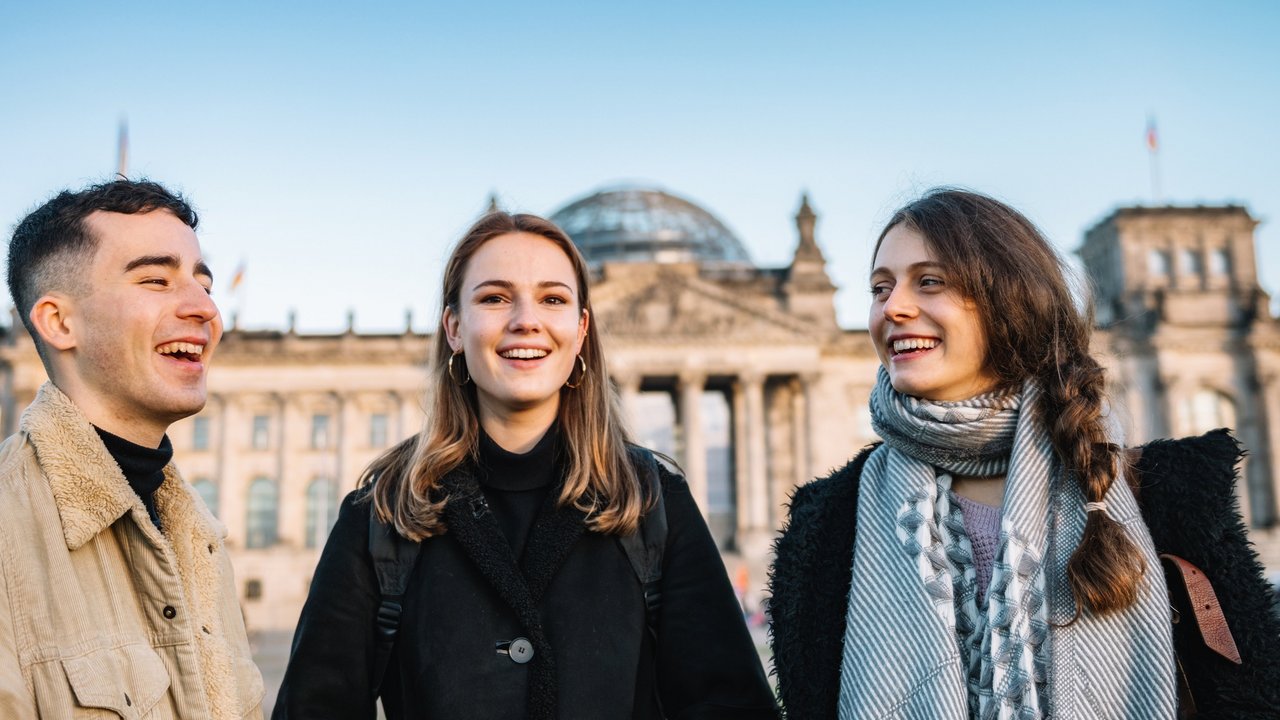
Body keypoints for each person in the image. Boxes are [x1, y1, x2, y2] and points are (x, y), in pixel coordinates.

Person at [768, 188, 1280, 719]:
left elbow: (1248, 695)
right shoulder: (826, 520)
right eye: (880, 287)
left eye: (930, 281)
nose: (892, 306)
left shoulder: (1165, 494)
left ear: (1010, 301)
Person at [274, 212, 778, 719]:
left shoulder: (653, 502)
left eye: (553, 299)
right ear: (453, 327)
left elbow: (730, 704)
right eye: (494, 297)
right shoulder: (382, 513)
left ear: (581, 329)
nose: (525, 320)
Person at [0, 180, 264, 718]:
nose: (205, 309)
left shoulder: (203, 539)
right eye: (155, 279)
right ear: (58, 322)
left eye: (203, 282)